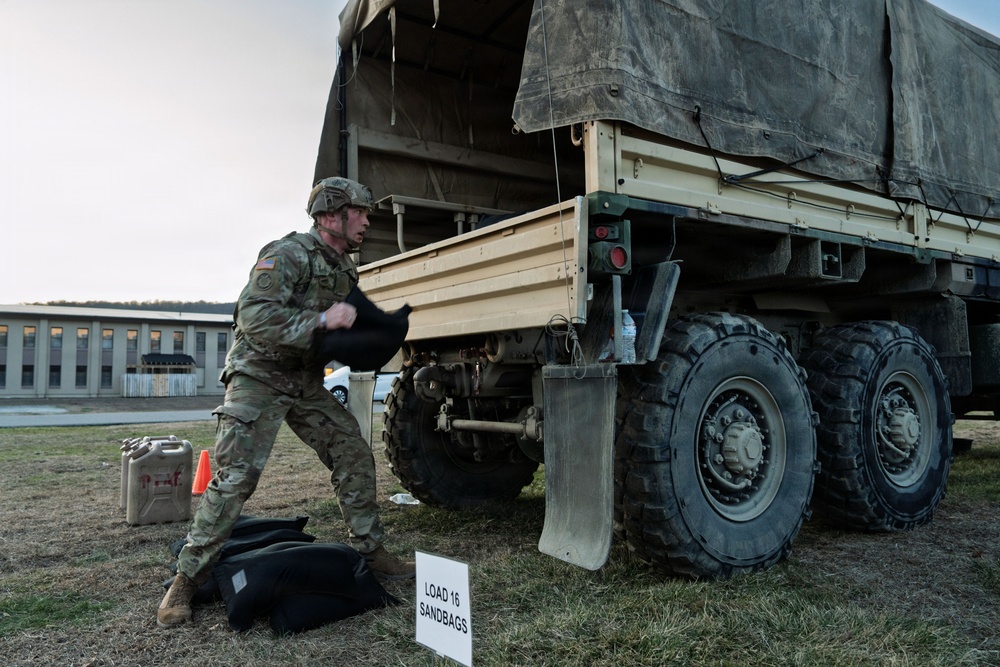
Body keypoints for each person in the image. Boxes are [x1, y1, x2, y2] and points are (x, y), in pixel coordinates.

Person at [157, 177, 415, 629]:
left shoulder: (344, 268)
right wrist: (321, 318)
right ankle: (186, 580)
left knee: (352, 450)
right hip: (258, 377)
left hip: (303, 380)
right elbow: (252, 315)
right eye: (361, 211)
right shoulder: (289, 253)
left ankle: (372, 553)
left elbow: (339, 328)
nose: (368, 220)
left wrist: (372, 335)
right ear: (332, 214)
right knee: (236, 478)